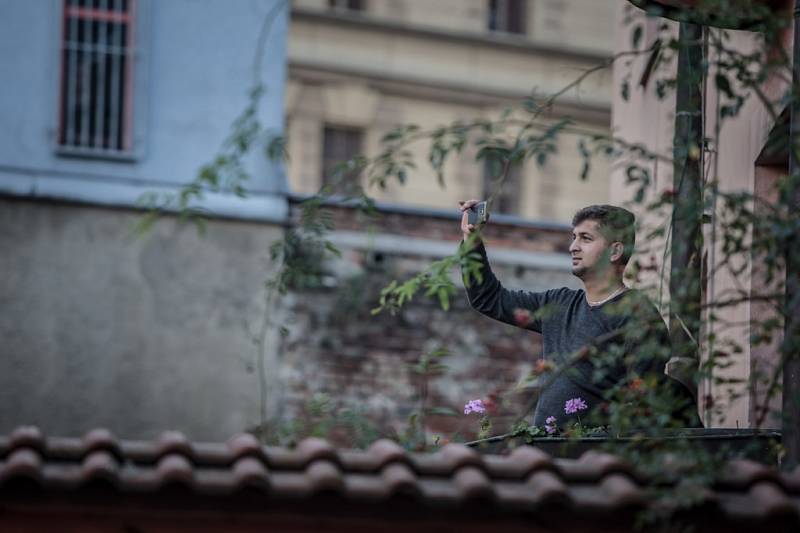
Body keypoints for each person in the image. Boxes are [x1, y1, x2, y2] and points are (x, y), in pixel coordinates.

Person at [459, 201, 699, 428]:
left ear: (615, 251)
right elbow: (489, 299)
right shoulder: (559, 304)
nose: (573, 246)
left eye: (586, 238)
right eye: (574, 238)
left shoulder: (637, 315)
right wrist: (472, 243)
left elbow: (643, 402)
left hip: (595, 458)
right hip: (547, 452)